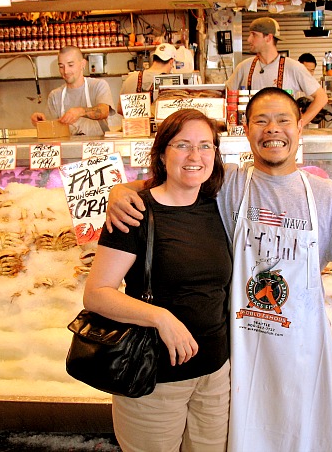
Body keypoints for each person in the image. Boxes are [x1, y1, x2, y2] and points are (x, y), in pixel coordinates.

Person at [104, 87, 332, 452]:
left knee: (298, 437)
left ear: (300, 128)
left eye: (283, 120)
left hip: (300, 350)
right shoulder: (228, 182)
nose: (272, 129)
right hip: (241, 350)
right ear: (246, 131)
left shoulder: (325, 195)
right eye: (261, 121)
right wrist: (120, 190)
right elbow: (174, 182)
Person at [84, 109, 232, 452]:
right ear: (163, 154)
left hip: (215, 377)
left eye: (205, 146)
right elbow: (97, 294)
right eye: (182, 145)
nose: (195, 156)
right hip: (153, 377)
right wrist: (161, 318)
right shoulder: (136, 212)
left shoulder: (218, 206)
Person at [226, 17, 328, 126]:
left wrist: (300, 124)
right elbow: (225, 94)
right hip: (253, 135)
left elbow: (321, 98)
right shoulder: (244, 67)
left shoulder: (293, 67)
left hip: (283, 135)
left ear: (269, 38)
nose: (249, 39)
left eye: (254, 34)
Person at [30, 46, 115, 136]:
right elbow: (52, 130)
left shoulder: (98, 85)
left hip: (98, 148)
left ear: (83, 64)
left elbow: (104, 111)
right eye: (61, 66)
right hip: (68, 148)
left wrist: (80, 112)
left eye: (70, 65)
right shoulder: (55, 96)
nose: (66, 71)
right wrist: (41, 123)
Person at [118, 43, 176, 115]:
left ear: (154, 59)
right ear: (171, 62)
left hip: (133, 125)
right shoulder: (172, 82)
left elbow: (120, 109)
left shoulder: (130, 79)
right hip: (162, 125)